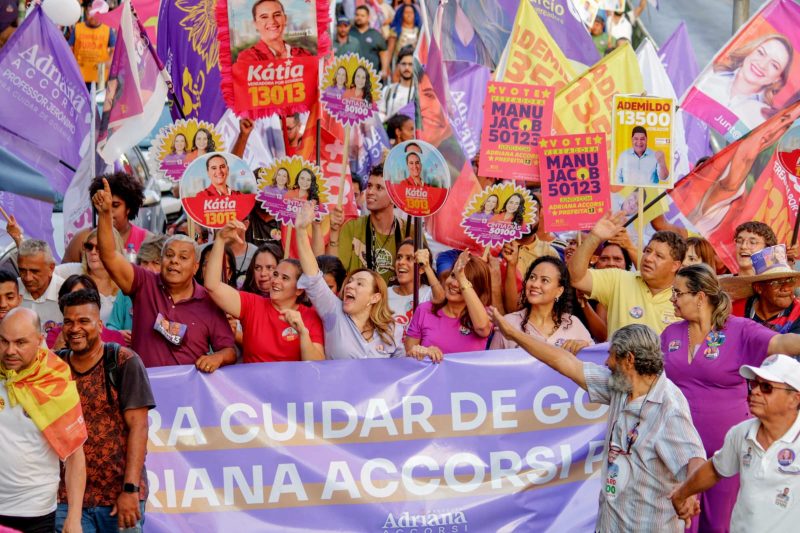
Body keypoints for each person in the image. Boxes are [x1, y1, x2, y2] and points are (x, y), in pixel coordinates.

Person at [488, 317, 706, 531]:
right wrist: (514, 334)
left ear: (629, 360)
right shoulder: (621, 386)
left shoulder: (669, 408)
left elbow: (694, 457)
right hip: (609, 524)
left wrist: (688, 493)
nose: (606, 362)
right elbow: (563, 362)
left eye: (611, 356)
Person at [661, 263, 800, 531]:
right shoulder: (671, 334)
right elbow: (644, 369)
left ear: (700, 296)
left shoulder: (740, 330)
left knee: (719, 525)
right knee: (680, 523)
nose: (673, 299)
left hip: (726, 452)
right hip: (678, 449)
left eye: (678, 293)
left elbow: (783, 344)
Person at [93, 178, 236, 370]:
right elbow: (109, 256)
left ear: (195, 267)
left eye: (183, 257)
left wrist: (217, 358)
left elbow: (229, 350)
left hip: (188, 396)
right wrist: (104, 215)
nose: (174, 260)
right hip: (144, 392)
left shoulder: (209, 301)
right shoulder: (144, 284)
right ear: (161, 262)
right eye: (169, 255)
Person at [55, 289, 155, 533]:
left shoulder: (123, 361)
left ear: (100, 325)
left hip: (118, 497)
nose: (75, 328)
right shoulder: (54, 368)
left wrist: (130, 490)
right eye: (68, 322)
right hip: (67, 500)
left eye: (83, 321)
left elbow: (139, 428)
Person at [670, 355, 800, 532]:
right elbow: (715, 469)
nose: (754, 391)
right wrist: (682, 494)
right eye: (754, 384)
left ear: (794, 398)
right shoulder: (742, 432)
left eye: (766, 387)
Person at [0, 308, 87, 533]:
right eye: (3, 341)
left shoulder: (55, 381)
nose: (10, 351)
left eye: (20, 343)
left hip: (36, 512)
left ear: (40, 341)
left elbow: (75, 456)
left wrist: (74, 518)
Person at [296, 201, 404, 359]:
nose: (350, 286)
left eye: (360, 283)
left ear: (375, 297)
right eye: (350, 281)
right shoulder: (333, 310)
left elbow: (402, 371)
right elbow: (313, 276)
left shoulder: (392, 329)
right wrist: (300, 230)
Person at [205, 221, 324, 362]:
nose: (275, 281)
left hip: (293, 383)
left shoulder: (310, 316)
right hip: (253, 383)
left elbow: (317, 366)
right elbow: (212, 286)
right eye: (275, 274)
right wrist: (220, 240)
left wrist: (303, 333)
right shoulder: (253, 305)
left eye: (284, 278)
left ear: (299, 290)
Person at [569, 211, 685, 334]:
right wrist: (594, 237)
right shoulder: (617, 279)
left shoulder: (685, 297)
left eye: (659, 256)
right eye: (648, 251)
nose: (648, 258)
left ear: (675, 265)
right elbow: (576, 278)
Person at [329, 164, 411, 285]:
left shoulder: (410, 232)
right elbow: (333, 273)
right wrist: (334, 232)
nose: (370, 192)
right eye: (369, 186)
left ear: (394, 196)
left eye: (379, 188)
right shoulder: (352, 227)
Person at [490, 256, 592, 353]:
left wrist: (584, 347)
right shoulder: (508, 323)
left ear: (559, 291)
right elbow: (492, 367)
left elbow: (595, 362)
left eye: (544, 280)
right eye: (532, 277)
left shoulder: (573, 324)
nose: (534, 284)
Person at [405, 250, 492, 360]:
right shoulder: (424, 310)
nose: (454, 283)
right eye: (453, 275)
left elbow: (482, 328)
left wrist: (461, 277)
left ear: (478, 290)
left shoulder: (484, 315)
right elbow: (409, 353)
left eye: (465, 280)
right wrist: (423, 352)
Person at [697, 34, 793, 130]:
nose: (762, 65)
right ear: (750, 50)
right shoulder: (709, 74)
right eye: (761, 53)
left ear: (777, 79)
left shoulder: (763, 119)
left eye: (774, 65)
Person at [64, 172, 153, 262]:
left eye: (115, 205)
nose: (108, 210)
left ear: (129, 208)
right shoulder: (82, 239)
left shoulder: (147, 240)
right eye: (103, 204)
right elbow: (62, 274)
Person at [722, 245, 800, 334]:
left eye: (790, 281)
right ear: (758, 288)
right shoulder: (734, 310)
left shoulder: (798, 312)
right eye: (776, 283)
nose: (786, 288)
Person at [57, 228, 124, 323]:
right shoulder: (74, 270)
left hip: (112, 337)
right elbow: (45, 271)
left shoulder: (124, 281)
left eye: (99, 248)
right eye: (89, 246)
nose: (93, 252)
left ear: (113, 251)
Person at [46, 274, 126, 350]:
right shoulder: (55, 335)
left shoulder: (115, 338)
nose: (75, 329)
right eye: (70, 298)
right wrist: (56, 349)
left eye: (85, 297)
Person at [388, 239, 444, 330]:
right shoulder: (385, 294)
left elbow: (441, 299)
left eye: (409, 258)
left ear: (421, 269)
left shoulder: (428, 294)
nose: (401, 262)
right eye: (399, 257)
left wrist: (427, 267)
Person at [236, 0, 313, 63]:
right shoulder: (248, 58)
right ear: (255, 24)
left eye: (277, 15)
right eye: (264, 17)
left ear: (285, 19)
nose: (272, 21)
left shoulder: (303, 54)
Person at [17, 239, 65, 332]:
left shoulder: (68, 292)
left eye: (34, 271)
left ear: (51, 268)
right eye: (22, 270)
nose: (27, 278)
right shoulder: (11, 290)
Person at [69, 5, 116, 88]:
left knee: (97, 99)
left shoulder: (107, 29)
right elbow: (68, 49)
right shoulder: (78, 28)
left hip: (99, 77)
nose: (93, 17)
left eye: (95, 14)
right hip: (79, 76)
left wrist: (110, 61)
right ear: (86, 13)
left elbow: (115, 50)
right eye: (90, 14)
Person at [379, 46, 416, 122]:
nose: (407, 68)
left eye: (410, 64)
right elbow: (381, 114)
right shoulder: (388, 90)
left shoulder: (419, 93)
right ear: (398, 65)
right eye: (403, 64)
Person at [349, 5, 387, 76]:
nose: (359, 18)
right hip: (351, 73)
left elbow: (383, 52)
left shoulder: (375, 34)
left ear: (368, 17)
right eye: (357, 15)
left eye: (362, 15)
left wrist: (384, 69)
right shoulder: (349, 32)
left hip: (372, 75)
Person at [385, 6, 419, 78]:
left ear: (415, 15)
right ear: (401, 14)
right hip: (399, 63)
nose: (409, 14)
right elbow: (390, 49)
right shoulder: (395, 30)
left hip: (414, 64)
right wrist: (386, 66)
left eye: (411, 12)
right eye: (406, 12)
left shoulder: (419, 31)